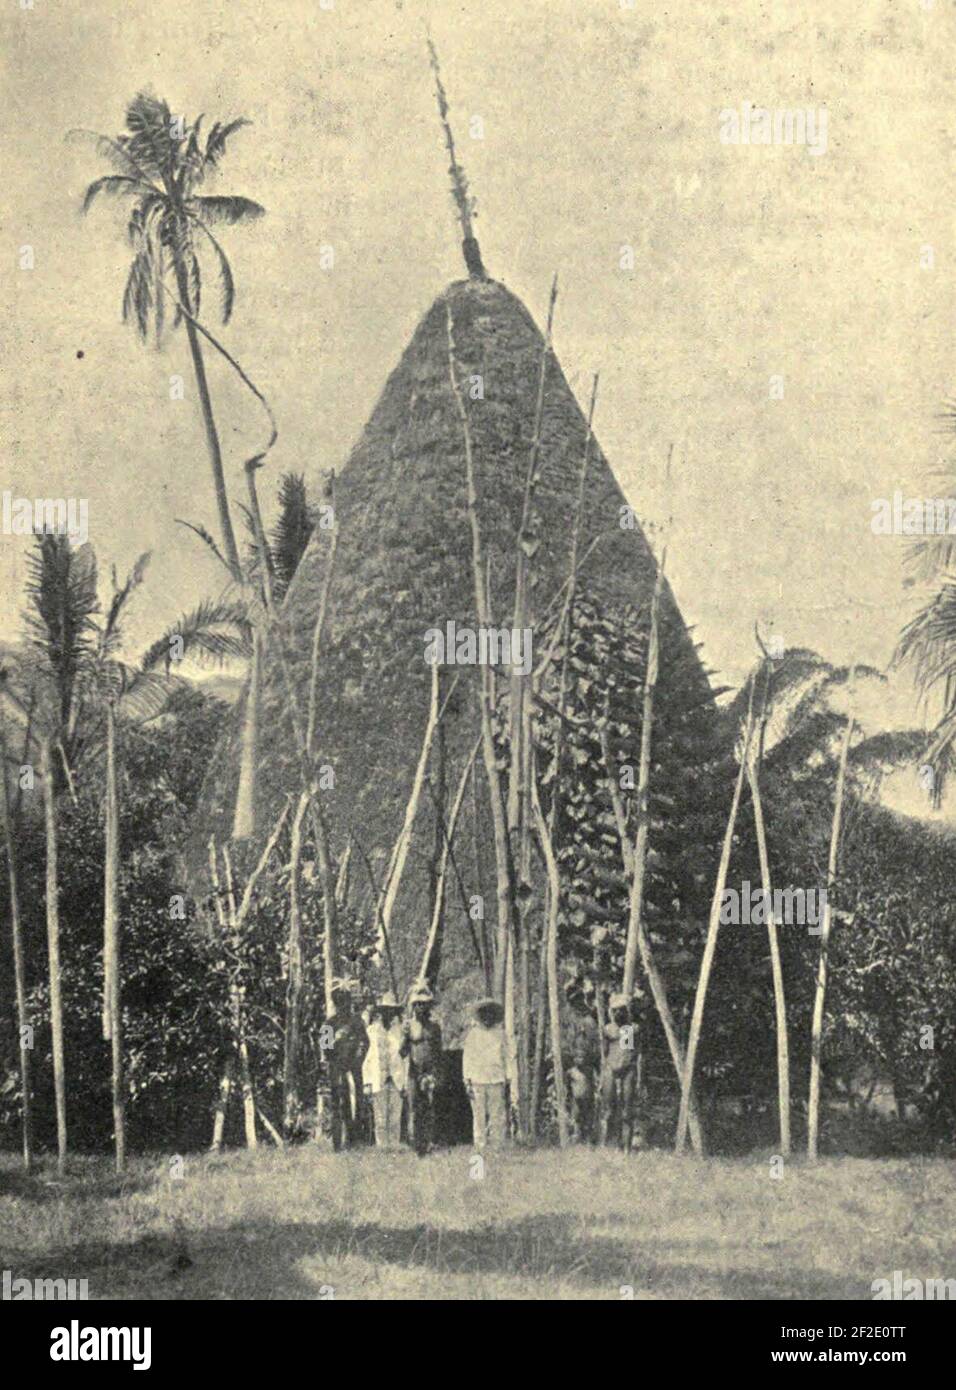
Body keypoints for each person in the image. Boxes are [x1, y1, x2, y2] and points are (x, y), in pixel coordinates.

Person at [399, 981, 442, 1156]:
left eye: (423, 1004)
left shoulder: (435, 1027)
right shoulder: (409, 1026)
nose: (420, 1007)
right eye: (417, 1004)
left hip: (430, 1071)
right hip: (414, 1071)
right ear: (413, 1006)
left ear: (428, 1006)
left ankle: (428, 1142)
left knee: (429, 1108)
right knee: (414, 1108)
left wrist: (437, 1074)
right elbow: (402, 1052)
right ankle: (417, 1146)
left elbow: (438, 1052)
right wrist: (405, 1036)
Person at [462, 997, 510, 1149]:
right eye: (484, 1014)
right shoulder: (473, 1035)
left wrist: (508, 1077)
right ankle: (480, 1146)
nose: (487, 1017)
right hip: (477, 1079)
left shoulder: (501, 1035)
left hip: (496, 1079)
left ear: (494, 1015)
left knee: (496, 1115)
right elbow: (467, 1059)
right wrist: (467, 1080)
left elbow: (507, 1056)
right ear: (480, 1016)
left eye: (490, 1013)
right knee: (478, 1115)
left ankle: (497, 1145)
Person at [327, 980, 369, 1151]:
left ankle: (354, 1141)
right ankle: (337, 1144)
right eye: (338, 1000)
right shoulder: (328, 1024)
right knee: (338, 1106)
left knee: (356, 1104)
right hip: (337, 1070)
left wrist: (358, 1058)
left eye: (344, 999)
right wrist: (335, 1043)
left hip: (355, 1068)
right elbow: (325, 1049)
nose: (341, 1004)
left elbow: (365, 1042)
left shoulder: (357, 1022)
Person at [363, 990, 406, 1149]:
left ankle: (394, 1147)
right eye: (385, 1010)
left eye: (391, 1011)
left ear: (395, 1013)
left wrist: (405, 1081)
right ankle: (382, 1149)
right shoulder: (372, 1032)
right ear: (380, 1012)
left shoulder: (400, 1031)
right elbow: (367, 1059)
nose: (388, 1014)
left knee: (395, 1117)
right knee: (380, 1118)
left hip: (396, 1078)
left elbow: (404, 1057)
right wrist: (367, 1082)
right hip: (378, 1078)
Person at [600, 992, 641, 1152]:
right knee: (609, 1109)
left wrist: (636, 1077)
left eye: (621, 1010)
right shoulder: (608, 1029)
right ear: (611, 1011)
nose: (618, 1013)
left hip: (626, 1071)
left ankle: (626, 1148)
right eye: (615, 1010)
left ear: (626, 1011)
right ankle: (611, 1144)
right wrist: (605, 1074)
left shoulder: (628, 1029)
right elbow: (605, 1054)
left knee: (626, 1109)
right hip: (611, 1069)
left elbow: (628, 1054)